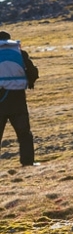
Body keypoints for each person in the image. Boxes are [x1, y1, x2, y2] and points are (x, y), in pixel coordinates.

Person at [0, 31, 39, 166]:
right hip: (17, 99)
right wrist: (30, 83)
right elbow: (33, 72)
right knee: (24, 133)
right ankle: (28, 162)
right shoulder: (19, 53)